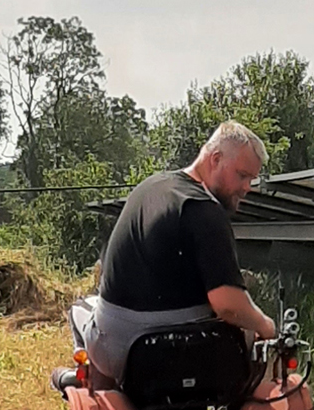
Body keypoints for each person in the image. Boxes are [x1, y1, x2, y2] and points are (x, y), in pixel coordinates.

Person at [83, 120, 277, 383]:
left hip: (106, 346)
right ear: (215, 159)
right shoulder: (204, 210)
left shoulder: (150, 187)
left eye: (251, 179)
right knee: (259, 341)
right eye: (242, 175)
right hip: (156, 355)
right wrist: (267, 325)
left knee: (81, 310)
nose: (247, 187)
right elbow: (229, 306)